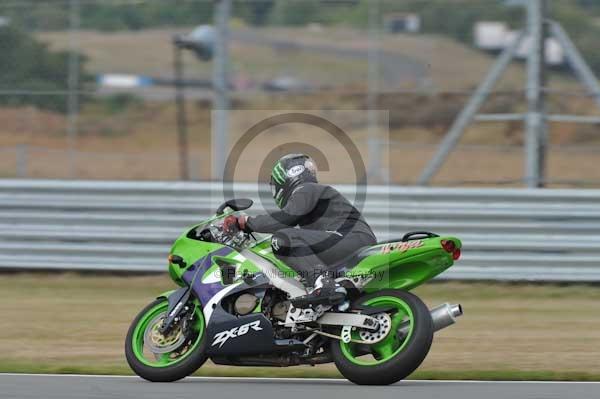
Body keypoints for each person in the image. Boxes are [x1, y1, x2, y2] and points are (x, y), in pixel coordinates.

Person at [225, 153, 377, 308]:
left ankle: (324, 284)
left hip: (350, 238)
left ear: (287, 176)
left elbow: (287, 218)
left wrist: (247, 222)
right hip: (350, 240)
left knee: (283, 239)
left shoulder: (306, 189)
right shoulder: (313, 192)